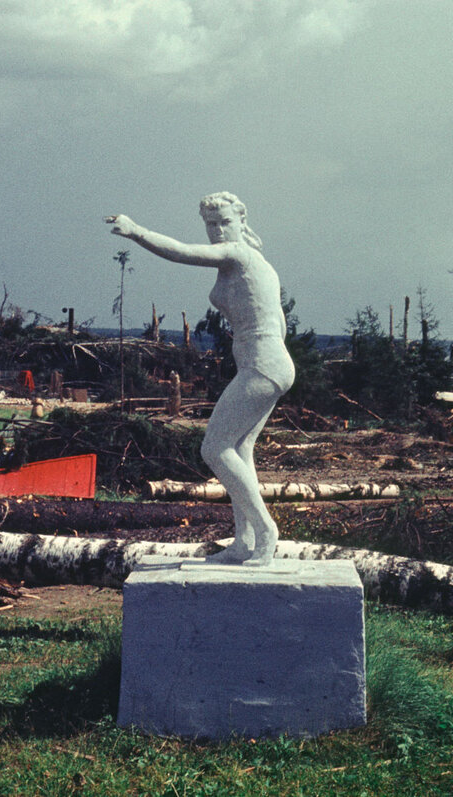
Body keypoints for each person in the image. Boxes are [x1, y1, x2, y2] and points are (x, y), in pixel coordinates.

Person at [106, 192, 294, 566]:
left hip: (263, 365)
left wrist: (135, 232)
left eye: (224, 222)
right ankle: (245, 541)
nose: (218, 231)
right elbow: (280, 324)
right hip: (268, 364)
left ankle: (266, 529)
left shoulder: (237, 254)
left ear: (242, 220)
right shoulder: (258, 264)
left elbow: (180, 251)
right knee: (239, 450)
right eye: (211, 224)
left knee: (214, 448)